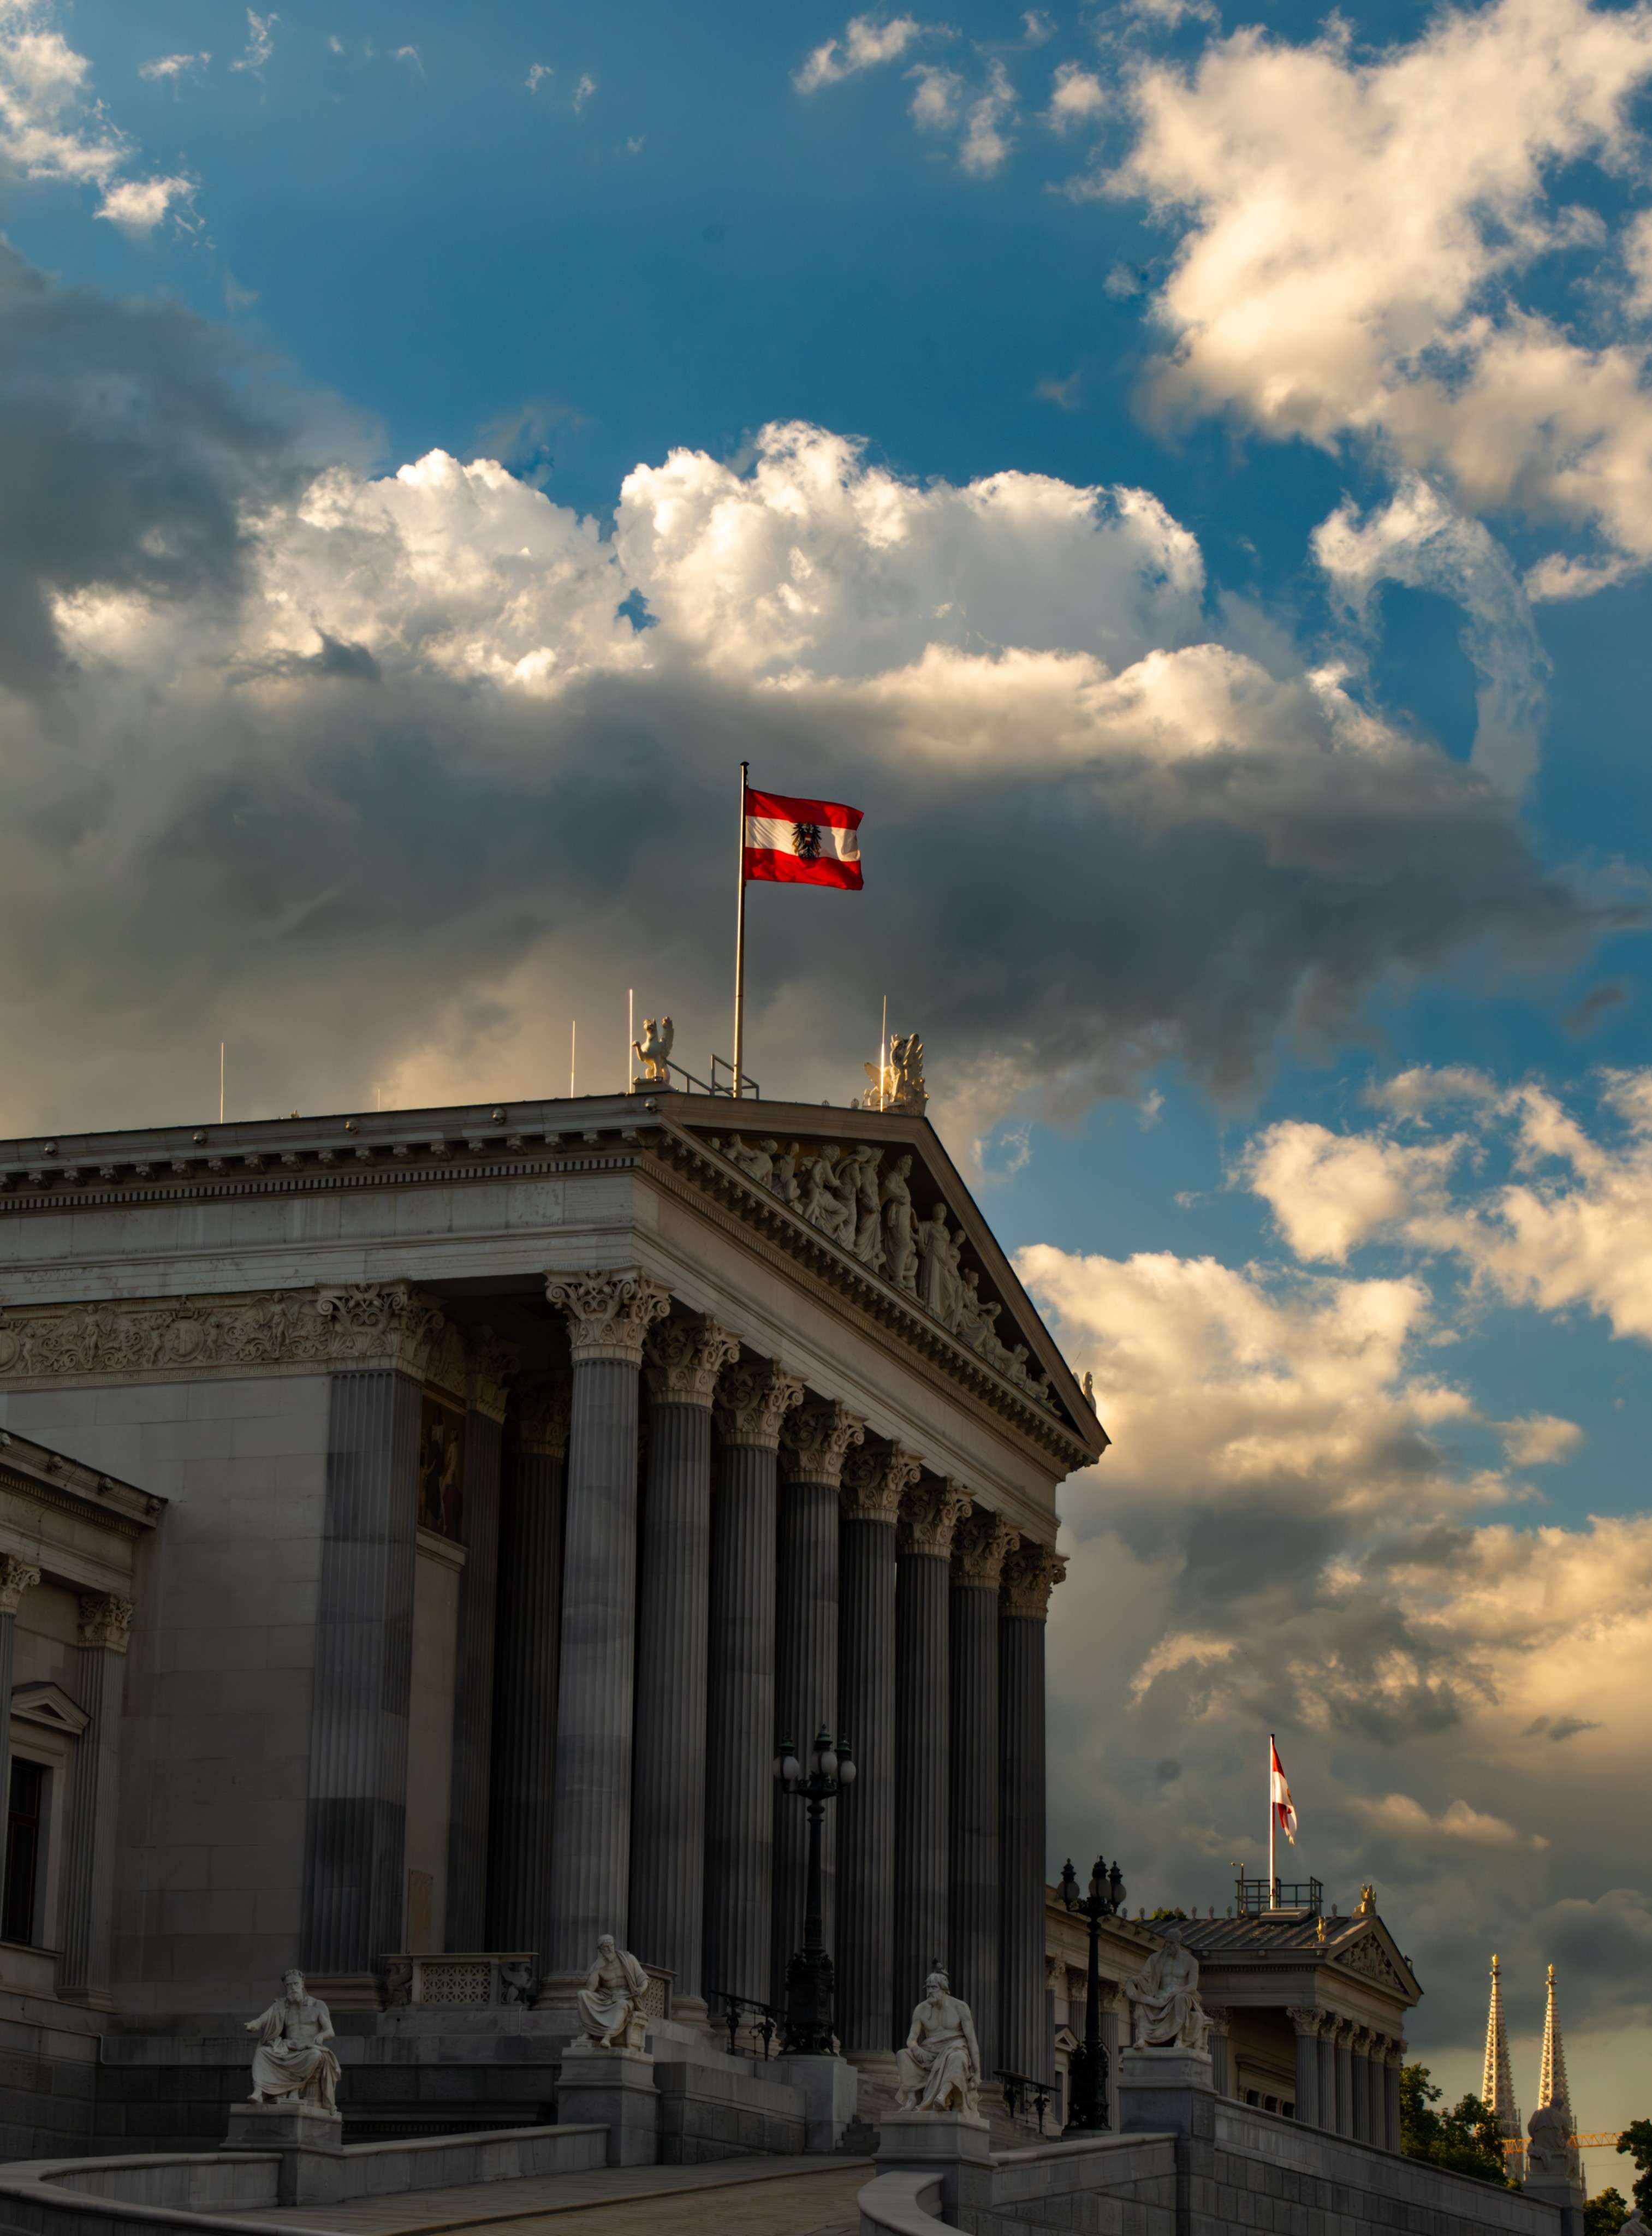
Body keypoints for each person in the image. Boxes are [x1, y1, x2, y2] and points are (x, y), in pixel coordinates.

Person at [245, 1970, 341, 2112]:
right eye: (289, 1985)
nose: (293, 1988)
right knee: (262, 2052)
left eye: (295, 1984)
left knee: (315, 2055)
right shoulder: (282, 2006)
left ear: (302, 1984)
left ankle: (295, 2088)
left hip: (308, 2048)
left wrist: (321, 2036)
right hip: (287, 2048)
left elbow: (330, 2031)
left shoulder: (318, 2005)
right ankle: (258, 2092)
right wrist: (254, 2024)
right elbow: (264, 2018)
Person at [895, 1970, 981, 2115]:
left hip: (955, 2048)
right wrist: (916, 2049)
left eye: (933, 1988)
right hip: (929, 2052)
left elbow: (972, 2040)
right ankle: (912, 2099)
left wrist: (978, 2072)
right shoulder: (921, 2009)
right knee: (903, 2054)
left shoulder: (960, 2007)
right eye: (928, 1988)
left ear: (944, 1989)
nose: (930, 1992)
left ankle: (943, 2095)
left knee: (958, 2058)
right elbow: (911, 2038)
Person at [1124, 1924, 1209, 2052]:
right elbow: (1146, 1977)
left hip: (1181, 1995)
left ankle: (1179, 2039)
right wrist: (1136, 1980)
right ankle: (1143, 2038)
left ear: (1179, 1943)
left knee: (1180, 1999)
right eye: (1167, 1943)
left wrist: (1178, 1990)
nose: (1169, 1946)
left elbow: (1193, 1986)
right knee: (1142, 2002)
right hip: (1159, 1995)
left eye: (1172, 1944)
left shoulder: (1191, 1962)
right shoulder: (1155, 1958)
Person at [577, 1934, 650, 2050]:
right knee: (582, 1995)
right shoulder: (598, 1966)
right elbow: (591, 1989)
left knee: (622, 2004)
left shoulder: (628, 1959)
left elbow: (643, 1979)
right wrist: (597, 1970)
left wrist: (641, 1989)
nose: (610, 1949)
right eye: (606, 1947)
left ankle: (607, 2037)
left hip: (627, 1997)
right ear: (600, 1950)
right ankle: (589, 2030)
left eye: (611, 1945)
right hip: (607, 1998)